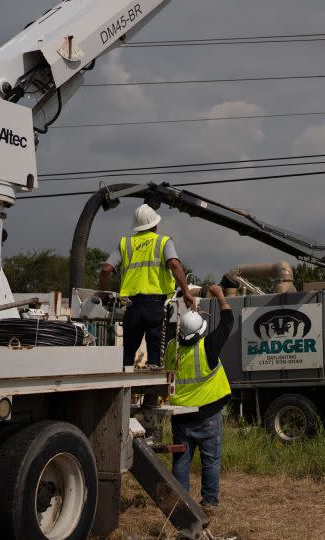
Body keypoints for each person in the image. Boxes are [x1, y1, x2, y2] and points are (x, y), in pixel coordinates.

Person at [99, 203, 196, 366]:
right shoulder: (163, 241)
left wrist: (103, 293)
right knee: (154, 352)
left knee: (127, 353)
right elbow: (174, 264)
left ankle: (125, 382)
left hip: (130, 305)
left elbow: (106, 269)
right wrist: (186, 291)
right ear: (155, 224)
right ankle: (152, 386)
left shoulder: (125, 243)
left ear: (136, 226)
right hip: (155, 303)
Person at [165, 284, 233, 510]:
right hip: (208, 415)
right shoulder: (208, 347)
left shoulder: (171, 348)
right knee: (211, 461)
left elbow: (172, 326)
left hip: (180, 417)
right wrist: (221, 295)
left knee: (181, 462)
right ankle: (209, 503)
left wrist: (187, 313)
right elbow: (227, 323)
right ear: (200, 331)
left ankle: (181, 505)